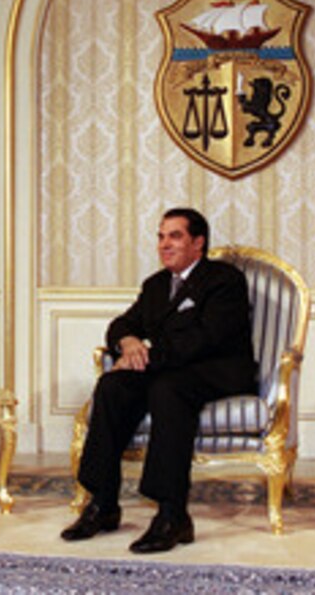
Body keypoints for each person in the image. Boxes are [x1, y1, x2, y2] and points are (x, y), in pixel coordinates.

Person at [61, 208, 256, 554]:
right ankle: (103, 504)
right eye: (161, 236)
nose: (164, 245)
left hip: (217, 370)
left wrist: (145, 355)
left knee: (168, 390)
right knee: (112, 386)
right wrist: (128, 343)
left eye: (175, 236)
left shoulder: (224, 280)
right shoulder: (155, 285)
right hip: (167, 369)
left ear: (198, 243)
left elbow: (205, 339)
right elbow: (122, 324)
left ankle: (172, 514)